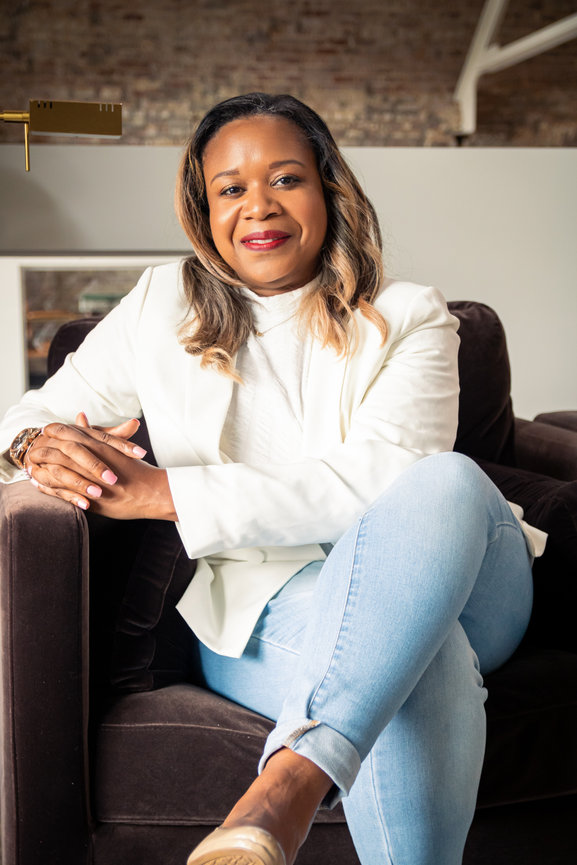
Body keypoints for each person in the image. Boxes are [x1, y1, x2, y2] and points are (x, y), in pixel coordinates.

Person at [0, 93, 545, 865]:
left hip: (460, 573)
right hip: (264, 605)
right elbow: (21, 417)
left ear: (328, 189)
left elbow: (383, 481)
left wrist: (168, 494)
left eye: (285, 179)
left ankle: (285, 783)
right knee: (425, 663)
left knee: (444, 480)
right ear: (204, 209)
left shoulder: (410, 315)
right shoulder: (164, 303)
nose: (258, 205)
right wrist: (36, 442)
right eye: (230, 188)